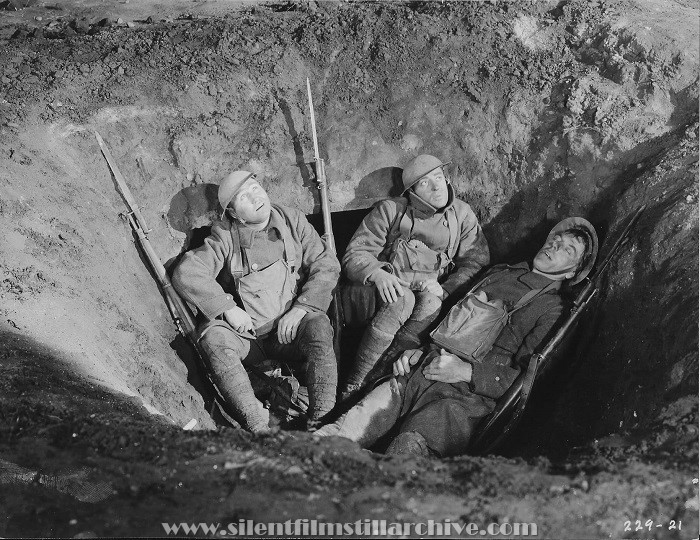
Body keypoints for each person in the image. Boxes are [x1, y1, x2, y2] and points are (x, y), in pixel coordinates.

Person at [316, 217, 598, 457]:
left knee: (402, 463)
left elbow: (531, 381)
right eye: (556, 239)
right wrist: (419, 350)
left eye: (567, 249)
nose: (554, 246)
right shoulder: (500, 272)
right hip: (420, 372)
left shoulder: (552, 310)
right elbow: (456, 322)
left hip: (458, 404)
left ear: (572, 271)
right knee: (337, 435)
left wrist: (467, 372)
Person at [172, 170, 340, 433]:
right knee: (214, 339)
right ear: (235, 214)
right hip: (250, 341)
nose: (255, 197)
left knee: (318, 324)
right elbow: (187, 272)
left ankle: (323, 422)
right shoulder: (226, 236)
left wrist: (302, 307)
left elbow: (326, 264)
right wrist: (227, 307)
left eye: (255, 187)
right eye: (243, 197)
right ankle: (258, 426)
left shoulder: (292, 220)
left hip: (291, 333)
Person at [341, 154, 489, 398]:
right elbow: (356, 252)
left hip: (429, 294)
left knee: (430, 303)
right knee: (403, 300)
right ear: (411, 191)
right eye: (424, 182)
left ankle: (378, 382)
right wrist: (378, 274)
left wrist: (446, 289)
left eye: (439, 178)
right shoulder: (391, 211)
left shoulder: (462, 215)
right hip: (384, 291)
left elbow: (476, 262)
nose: (436, 186)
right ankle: (354, 385)